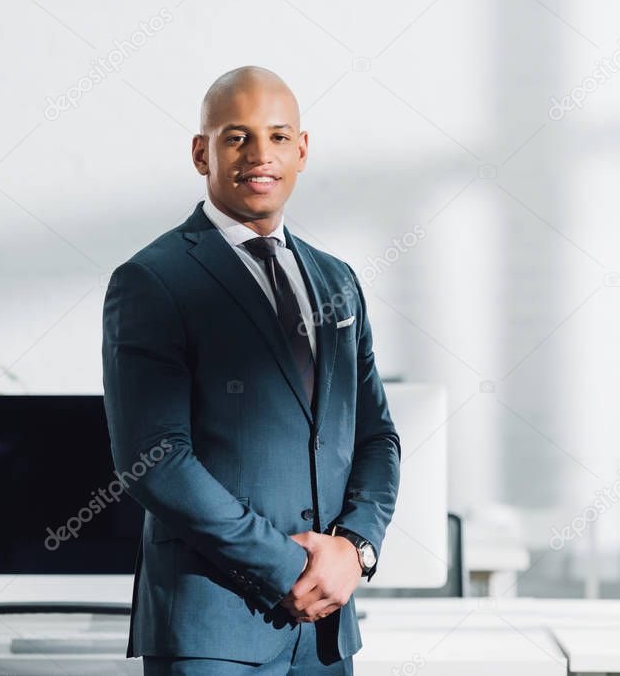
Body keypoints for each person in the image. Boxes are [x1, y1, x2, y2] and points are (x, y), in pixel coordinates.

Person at [102, 65, 400, 674]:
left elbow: (376, 436)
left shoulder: (337, 280)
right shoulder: (153, 280)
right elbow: (155, 459)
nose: (260, 155)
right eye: (237, 137)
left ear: (303, 149)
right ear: (200, 152)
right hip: (210, 628)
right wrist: (286, 565)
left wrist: (355, 549)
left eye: (279, 136)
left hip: (324, 635)